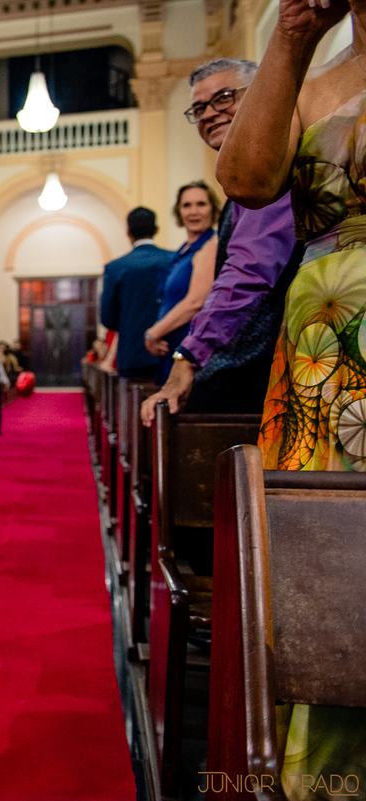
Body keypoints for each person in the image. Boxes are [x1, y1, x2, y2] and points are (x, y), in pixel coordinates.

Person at [218, 0, 366, 791]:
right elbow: (244, 179)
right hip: (320, 344)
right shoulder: (317, 76)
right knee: (325, 550)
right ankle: (317, 765)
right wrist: (293, 33)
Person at [140, 57, 303, 423]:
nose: (209, 114)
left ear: (262, 95)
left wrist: (189, 358)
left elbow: (250, 272)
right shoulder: (246, 180)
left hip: (261, 361)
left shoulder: (270, 169)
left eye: (224, 97)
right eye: (199, 108)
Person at [144, 182, 220, 384]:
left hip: (191, 348)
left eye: (201, 204)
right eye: (186, 205)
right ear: (178, 211)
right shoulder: (183, 250)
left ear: (213, 209)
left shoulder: (210, 247)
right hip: (171, 345)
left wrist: (153, 333)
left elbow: (196, 302)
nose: (193, 211)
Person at [99, 208, 174, 379]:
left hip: (132, 355)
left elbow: (108, 319)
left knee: (134, 404)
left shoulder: (115, 268)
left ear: (128, 233)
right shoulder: (173, 259)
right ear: (156, 230)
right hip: (168, 349)